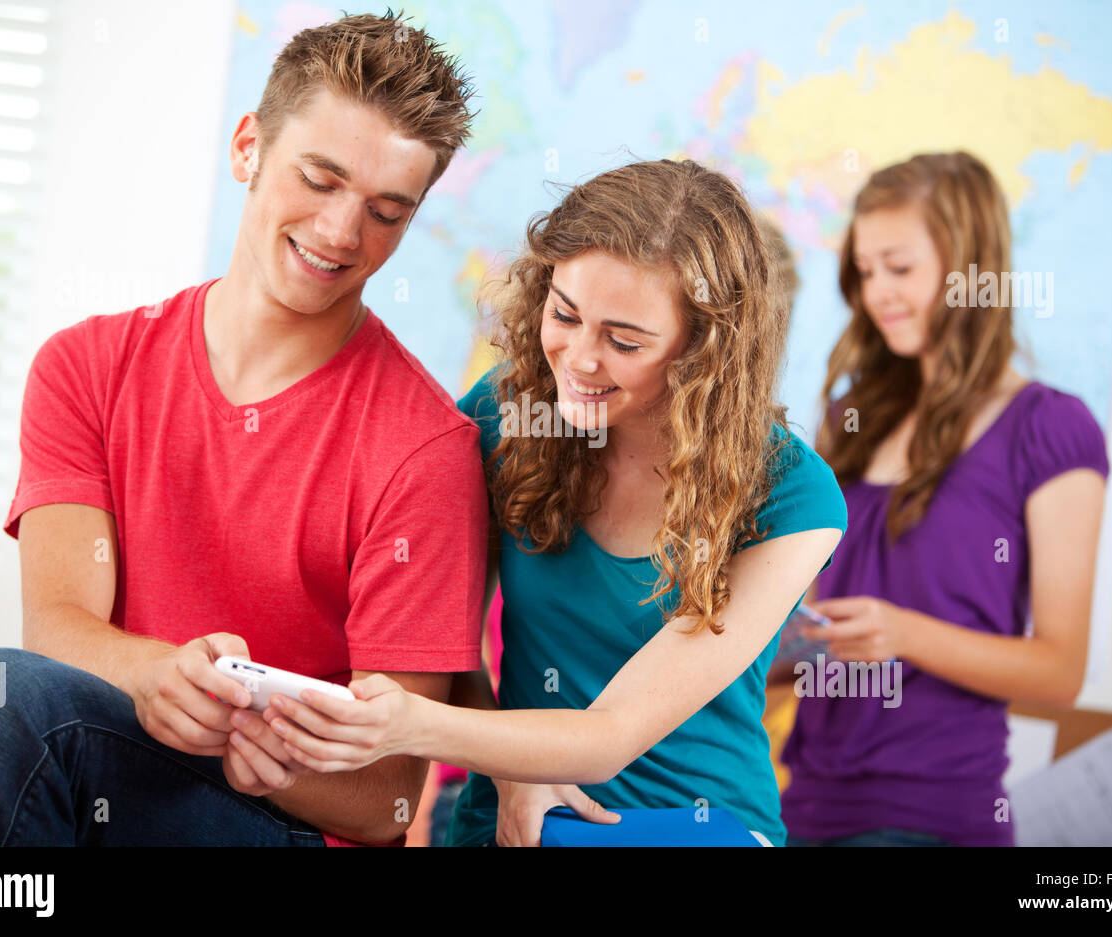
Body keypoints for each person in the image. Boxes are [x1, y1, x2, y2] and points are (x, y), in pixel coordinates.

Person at [0, 13, 487, 846]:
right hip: (100, 775)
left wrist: (271, 749)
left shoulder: (427, 449)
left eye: (386, 212)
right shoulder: (86, 366)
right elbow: (57, 632)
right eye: (318, 179)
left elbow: (388, 798)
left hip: (278, 828)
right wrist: (156, 674)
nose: (340, 233)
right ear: (248, 147)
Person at [241, 158, 849, 847]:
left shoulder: (792, 494)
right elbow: (447, 640)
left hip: (692, 827)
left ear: (703, 351)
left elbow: (610, 735)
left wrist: (408, 723)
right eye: (564, 313)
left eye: (624, 340)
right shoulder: (506, 419)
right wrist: (509, 769)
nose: (580, 359)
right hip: (511, 820)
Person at [776, 151, 1109, 847]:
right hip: (802, 802)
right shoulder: (852, 420)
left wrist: (904, 635)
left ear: (969, 268)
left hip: (933, 815)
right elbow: (818, 627)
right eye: (865, 273)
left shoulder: (1049, 427)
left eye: (900, 268)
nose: (878, 294)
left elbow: (1060, 670)